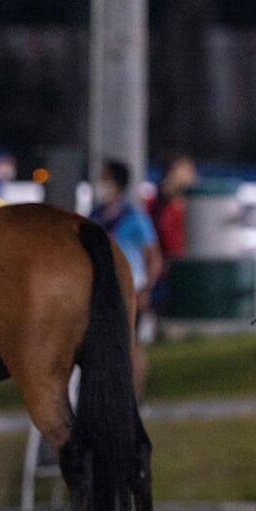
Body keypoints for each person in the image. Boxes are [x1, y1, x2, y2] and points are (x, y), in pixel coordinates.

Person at [92, 159, 162, 390]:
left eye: (105, 179)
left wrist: (146, 289)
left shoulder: (134, 218)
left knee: (130, 345)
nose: (100, 184)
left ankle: (135, 395)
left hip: (132, 289)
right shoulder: (95, 216)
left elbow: (153, 256)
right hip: (102, 291)